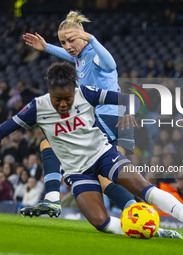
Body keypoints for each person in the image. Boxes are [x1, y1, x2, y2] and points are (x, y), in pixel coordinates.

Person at [0, 62, 183, 242]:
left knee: (145, 189)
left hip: (103, 155)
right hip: (77, 171)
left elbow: (128, 98)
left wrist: (127, 112)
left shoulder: (86, 93)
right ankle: (156, 232)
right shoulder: (37, 107)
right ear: (49, 93)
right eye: (57, 100)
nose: (62, 104)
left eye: (67, 99)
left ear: (74, 90)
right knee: (100, 222)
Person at [22, 11, 136, 218]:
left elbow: (111, 65)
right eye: (63, 41)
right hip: (113, 121)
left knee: (50, 142)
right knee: (106, 179)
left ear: (83, 38)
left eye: (71, 40)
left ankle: (52, 199)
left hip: (107, 118)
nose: (67, 46)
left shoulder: (93, 53)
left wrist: (91, 38)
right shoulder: (80, 57)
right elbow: (68, 55)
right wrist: (47, 47)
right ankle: (137, 212)